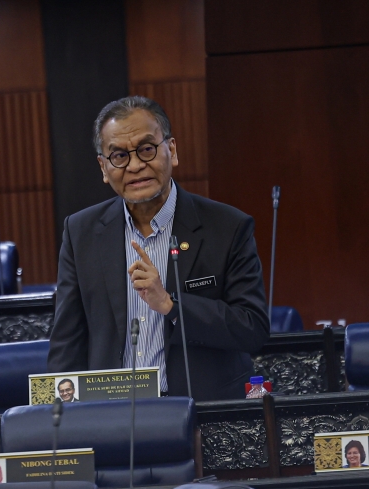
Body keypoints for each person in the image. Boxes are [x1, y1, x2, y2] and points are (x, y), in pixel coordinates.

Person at [47, 96, 270, 401]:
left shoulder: (228, 227)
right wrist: (61, 417)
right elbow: (66, 343)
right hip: (113, 412)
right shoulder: (81, 232)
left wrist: (171, 304)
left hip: (203, 412)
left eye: (147, 149)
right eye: (119, 156)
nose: (135, 165)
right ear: (103, 167)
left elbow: (252, 328)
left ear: (172, 150)